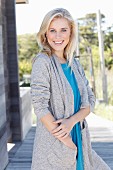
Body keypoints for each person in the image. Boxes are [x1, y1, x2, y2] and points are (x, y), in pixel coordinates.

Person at [30, 8, 111, 170]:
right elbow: (39, 105)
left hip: (80, 139)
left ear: (71, 33)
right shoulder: (43, 62)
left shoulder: (74, 64)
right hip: (56, 143)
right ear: (45, 34)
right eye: (52, 30)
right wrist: (67, 142)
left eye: (63, 30)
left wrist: (71, 122)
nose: (58, 36)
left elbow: (89, 102)